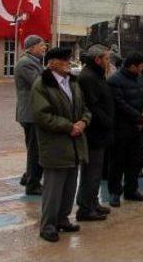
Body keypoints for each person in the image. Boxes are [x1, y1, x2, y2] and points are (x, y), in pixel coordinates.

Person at [31, 47, 91, 243]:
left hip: (75, 144)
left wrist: (83, 121)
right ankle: (48, 225)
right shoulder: (42, 85)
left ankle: (63, 219)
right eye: (63, 59)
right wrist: (68, 127)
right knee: (53, 189)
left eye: (68, 59)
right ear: (51, 63)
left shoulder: (73, 83)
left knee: (69, 187)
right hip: (56, 145)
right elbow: (42, 115)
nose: (67, 62)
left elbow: (85, 108)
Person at [76, 45, 114, 222]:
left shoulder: (96, 75)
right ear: (97, 60)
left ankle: (92, 202)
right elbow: (93, 105)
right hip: (94, 132)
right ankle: (85, 208)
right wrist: (107, 121)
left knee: (95, 172)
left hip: (101, 131)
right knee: (90, 172)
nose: (109, 62)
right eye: (106, 59)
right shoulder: (88, 77)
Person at [107, 52, 143, 207]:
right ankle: (114, 193)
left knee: (135, 161)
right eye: (141, 67)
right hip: (121, 128)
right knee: (117, 162)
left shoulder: (139, 78)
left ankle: (131, 190)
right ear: (132, 66)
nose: (142, 70)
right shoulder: (115, 81)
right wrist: (138, 117)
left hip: (137, 128)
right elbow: (119, 104)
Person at [14, 34, 47, 195]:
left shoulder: (33, 62)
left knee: (34, 147)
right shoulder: (26, 64)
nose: (44, 48)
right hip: (31, 114)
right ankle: (33, 184)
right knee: (36, 149)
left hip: (31, 113)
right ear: (32, 47)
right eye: (41, 45)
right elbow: (39, 84)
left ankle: (28, 177)